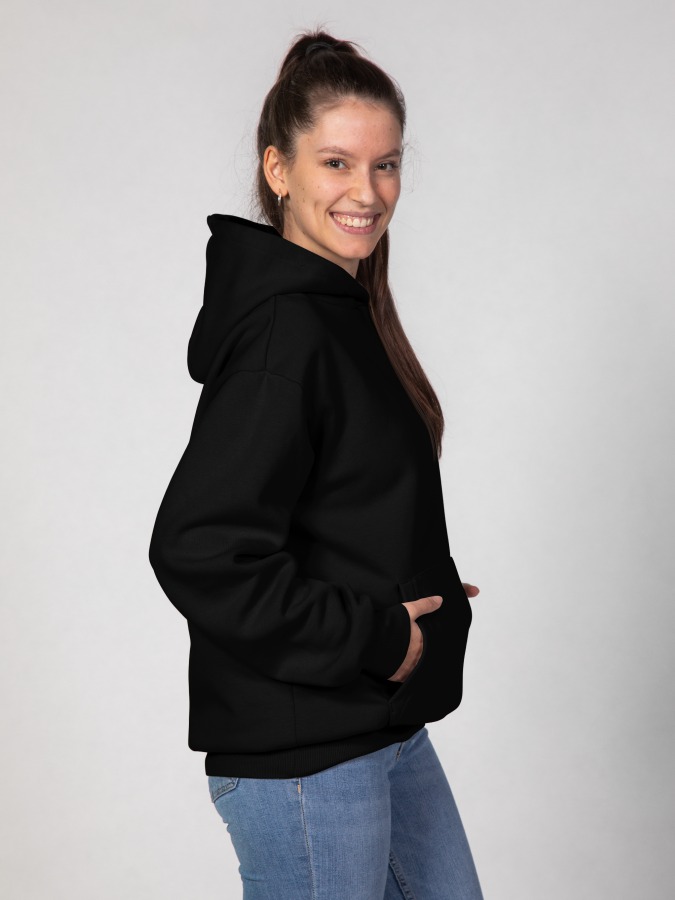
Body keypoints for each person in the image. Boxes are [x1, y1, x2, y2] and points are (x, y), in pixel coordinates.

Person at [148, 28, 485, 900]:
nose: (366, 192)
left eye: (385, 165)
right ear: (278, 169)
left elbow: (327, 500)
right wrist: (379, 634)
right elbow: (201, 548)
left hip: (378, 727)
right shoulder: (284, 331)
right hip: (304, 756)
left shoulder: (341, 314)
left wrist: (400, 572)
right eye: (336, 163)